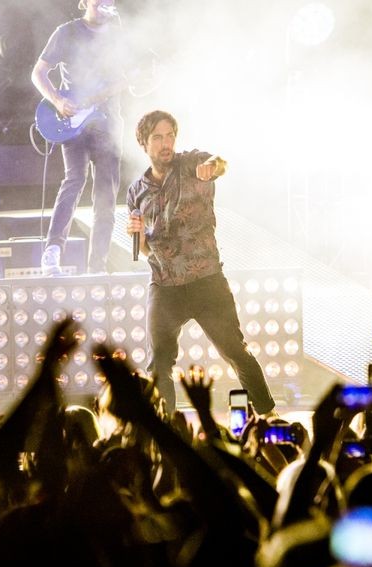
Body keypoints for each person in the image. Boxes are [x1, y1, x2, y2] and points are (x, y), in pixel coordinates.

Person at [125, 110, 276, 416]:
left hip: (206, 281)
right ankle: (164, 427)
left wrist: (212, 168)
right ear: (144, 143)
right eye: (158, 138)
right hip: (165, 285)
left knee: (235, 351)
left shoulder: (190, 163)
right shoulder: (135, 192)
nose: (166, 143)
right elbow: (142, 252)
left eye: (170, 136)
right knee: (159, 362)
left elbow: (218, 163)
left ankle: (268, 414)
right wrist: (138, 236)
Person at [32, 0, 128, 276]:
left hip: (108, 122)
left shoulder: (120, 37)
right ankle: (52, 253)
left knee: (106, 196)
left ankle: (97, 268)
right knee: (74, 179)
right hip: (73, 119)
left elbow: (131, 77)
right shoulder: (68, 31)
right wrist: (57, 100)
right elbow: (38, 73)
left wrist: (141, 77)